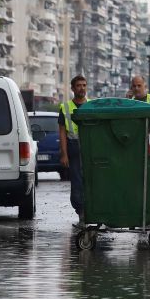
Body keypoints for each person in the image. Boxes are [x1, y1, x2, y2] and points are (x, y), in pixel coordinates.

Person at [59, 74, 90, 222]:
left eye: (84, 85)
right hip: (74, 148)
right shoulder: (65, 107)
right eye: (78, 85)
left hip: (90, 148)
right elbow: (62, 133)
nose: (82, 88)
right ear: (73, 88)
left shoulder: (92, 106)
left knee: (92, 180)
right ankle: (81, 211)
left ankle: (94, 210)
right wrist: (64, 154)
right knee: (77, 181)